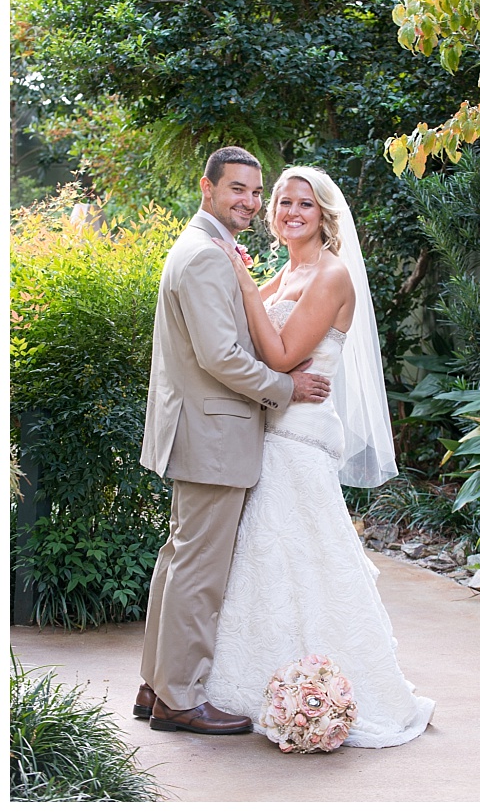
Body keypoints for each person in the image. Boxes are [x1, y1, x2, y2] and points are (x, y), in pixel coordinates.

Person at [203, 165, 434, 748]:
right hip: (267, 437)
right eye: (282, 203)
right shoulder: (284, 273)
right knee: (266, 565)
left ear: (324, 216)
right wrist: (251, 288)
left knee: (312, 564)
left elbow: (279, 356)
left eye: (303, 204)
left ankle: (330, 692)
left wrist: (244, 286)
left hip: (299, 442)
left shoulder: (330, 275)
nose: (290, 212)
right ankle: (264, 685)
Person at [138, 146, 331, 735]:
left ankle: (156, 686)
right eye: (238, 190)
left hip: (200, 428)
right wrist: (285, 386)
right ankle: (179, 698)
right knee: (198, 570)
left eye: (255, 191)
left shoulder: (209, 251)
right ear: (208, 188)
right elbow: (220, 355)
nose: (249, 201)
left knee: (178, 561)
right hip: (214, 433)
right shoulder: (205, 257)